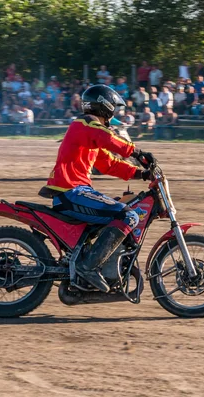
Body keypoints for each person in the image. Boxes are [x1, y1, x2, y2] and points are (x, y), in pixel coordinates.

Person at [38, 85, 156, 292]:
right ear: (105, 106)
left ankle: (95, 265)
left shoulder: (89, 134)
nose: (115, 114)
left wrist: (141, 174)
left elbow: (109, 164)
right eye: (114, 109)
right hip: (71, 192)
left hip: (75, 192)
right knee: (128, 217)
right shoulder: (84, 124)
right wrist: (137, 152)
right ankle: (87, 267)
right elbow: (108, 138)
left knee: (119, 212)